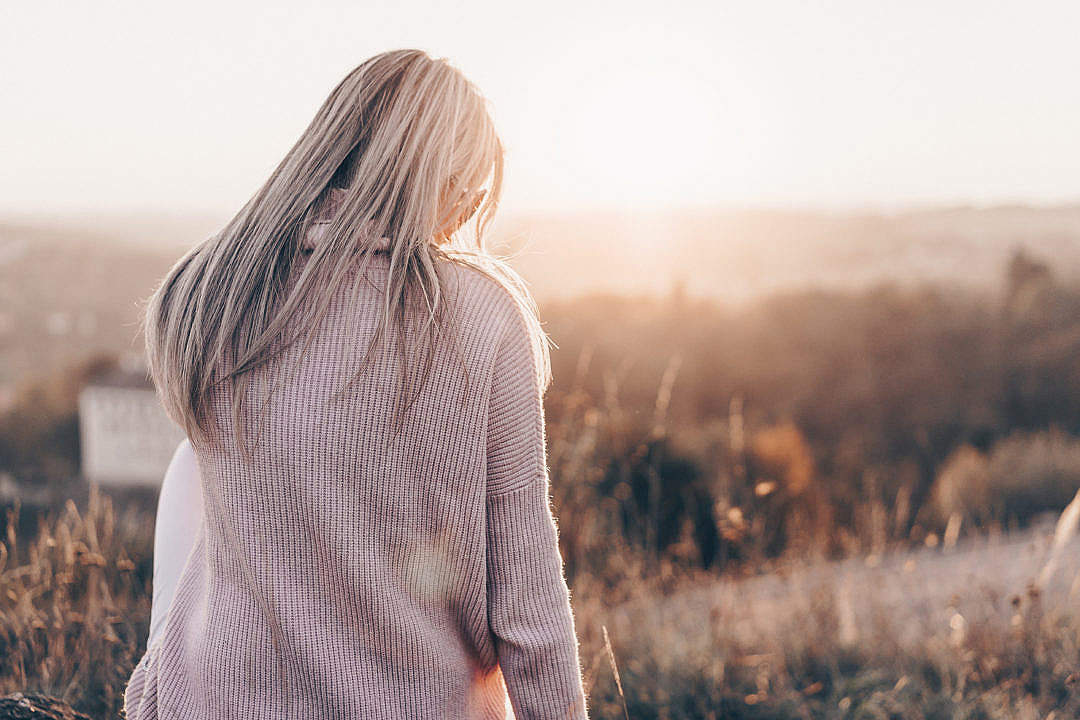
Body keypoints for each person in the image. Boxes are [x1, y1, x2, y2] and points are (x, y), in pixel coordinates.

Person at [124, 48, 589, 720]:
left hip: (212, 697)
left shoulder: (209, 288)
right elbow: (526, 596)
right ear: (443, 176)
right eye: (473, 191)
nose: (465, 215)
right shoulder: (481, 312)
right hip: (418, 707)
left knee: (190, 463)